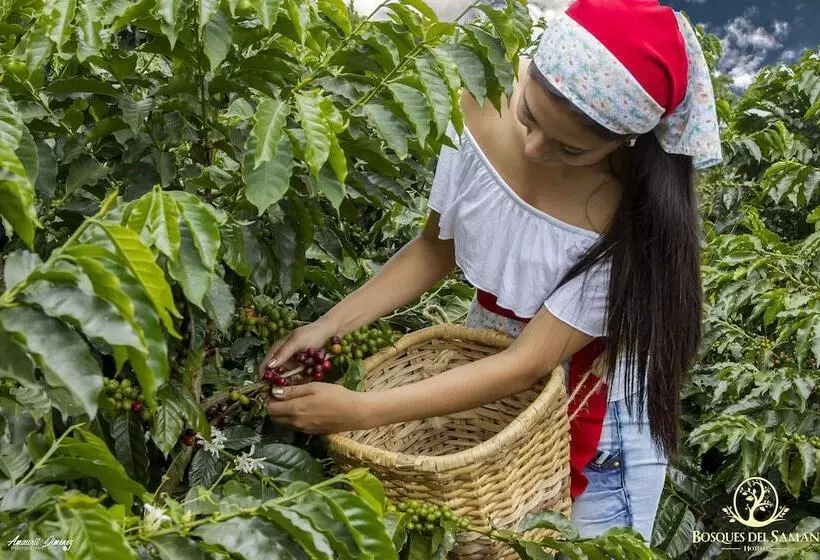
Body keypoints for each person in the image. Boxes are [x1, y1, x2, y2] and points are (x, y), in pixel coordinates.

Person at [260, 0, 722, 541]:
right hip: (484, 391)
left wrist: (361, 411)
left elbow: (528, 362)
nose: (533, 146)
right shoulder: (478, 101)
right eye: (528, 114)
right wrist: (328, 326)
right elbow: (434, 248)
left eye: (570, 148)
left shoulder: (629, 219)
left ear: (624, 142)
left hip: (593, 434)